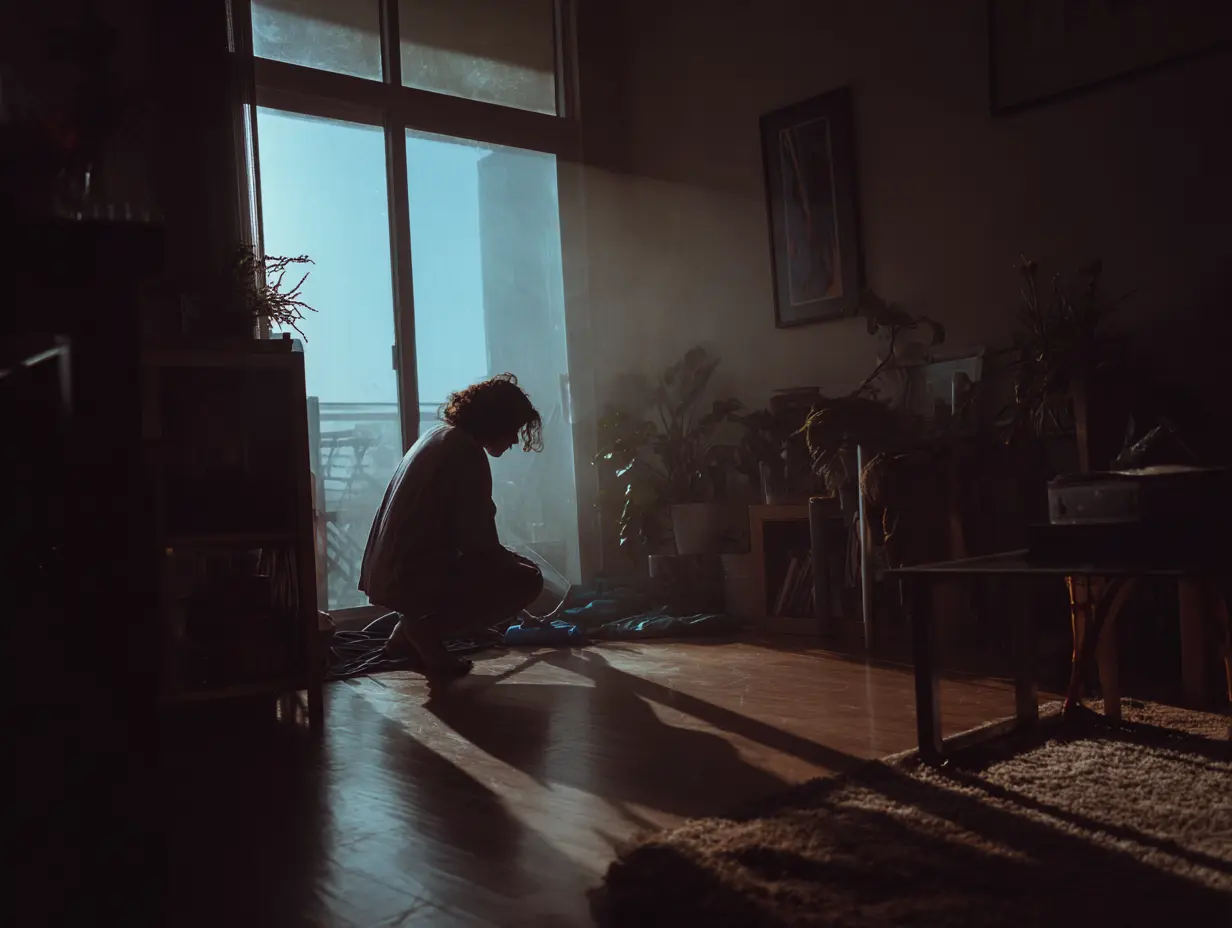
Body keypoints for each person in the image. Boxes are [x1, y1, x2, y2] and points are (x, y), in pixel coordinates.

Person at [359, 373, 545, 677]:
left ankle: (407, 633)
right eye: (513, 430)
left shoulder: (438, 436)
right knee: (528, 579)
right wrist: (513, 565)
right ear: (496, 422)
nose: (514, 440)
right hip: (411, 578)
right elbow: (477, 542)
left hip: (390, 573)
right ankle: (425, 631)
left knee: (507, 565)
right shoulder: (465, 452)